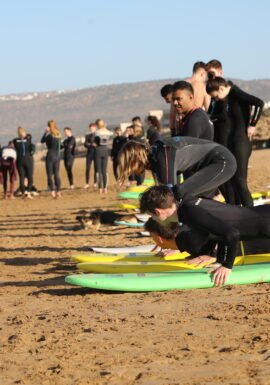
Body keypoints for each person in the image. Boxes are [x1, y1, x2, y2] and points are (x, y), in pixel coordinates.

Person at [139, 185, 270, 286]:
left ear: (157, 211)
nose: (153, 219)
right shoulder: (187, 204)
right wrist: (219, 261)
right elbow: (218, 233)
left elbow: (232, 233)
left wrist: (227, 266)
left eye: (151, 216)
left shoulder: (188, 212)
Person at [118, 136, 236, 201]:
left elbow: (168, 195)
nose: (130, 171)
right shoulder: (154, 157)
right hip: (208, 164)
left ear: (136, 159)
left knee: (180, 193)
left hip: (222, 161)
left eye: (129, 166)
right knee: (194, 201)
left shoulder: (162, 154)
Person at [206, 77, 264, 207]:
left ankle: (252, 213)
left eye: (216, 96)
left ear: (221, 89)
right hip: (233, 142)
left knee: (240, 181)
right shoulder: (226, 100)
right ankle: (237, 212)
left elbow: (259, 103)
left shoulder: (237, 94)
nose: (216, 98)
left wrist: (252, 124)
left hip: (241, 142)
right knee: (232, 181)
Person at [144, 217, 270, 260]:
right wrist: (178, 249)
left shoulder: (190, 242)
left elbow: (221, 236)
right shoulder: (185, 234)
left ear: (160, 238)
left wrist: (214, 256)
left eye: (152, 236)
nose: (152, 239)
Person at [41, 120, 62, 198]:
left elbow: (42, 140)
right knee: (57, 174)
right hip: (58, 156)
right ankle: (59, 191)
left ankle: (53, 191)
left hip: (50, 155)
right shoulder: (59, 134)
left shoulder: (50, 136)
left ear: (49, 126)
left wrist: (45, 132)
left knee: (49, 174)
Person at [13, 127, 35, 199]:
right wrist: (32, 152)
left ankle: (23, 193)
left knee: (22, 177)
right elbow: (32, 146)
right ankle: (28, 193)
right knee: (30, 177)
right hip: (28, 160)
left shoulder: (15, 141)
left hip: (19, 161)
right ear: (24, 132)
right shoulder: (28, 140)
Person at [94, 119, 113, 194]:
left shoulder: (97, 132)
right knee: (104, 171)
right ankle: (105, 188)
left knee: (99, 171)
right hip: (105, 150)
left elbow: (95, 142)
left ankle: (100, 188)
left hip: (98, 150)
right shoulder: (108, 132)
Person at [84, 122, 97, 189]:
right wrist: (91, 144)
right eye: (90, 128)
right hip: (89, 154)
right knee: (87, 169)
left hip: (96, 153)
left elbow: (98, 144)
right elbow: (85, 144)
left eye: (92, 128)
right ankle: (87, 183)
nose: (91, 129)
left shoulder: (98, 135)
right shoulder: (87, 136)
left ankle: (95, 182)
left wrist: (94, 145)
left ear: (95, 128)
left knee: (96, 169)